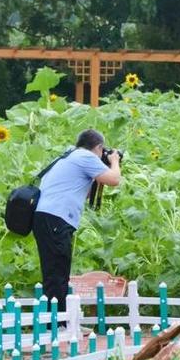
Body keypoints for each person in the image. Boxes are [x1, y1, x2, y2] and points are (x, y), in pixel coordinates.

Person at [32, 129, 121, 315]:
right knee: (57, 272)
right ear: (98, 147)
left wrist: (100, 168)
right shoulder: (85, 156)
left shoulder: (69, 156)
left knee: (57, 271)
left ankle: (58, 320)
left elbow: (84, 192)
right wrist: (114, 161)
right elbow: (114, 179)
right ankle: (57, 323)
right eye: (102, 151)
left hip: (47, 217)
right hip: (55, 218)